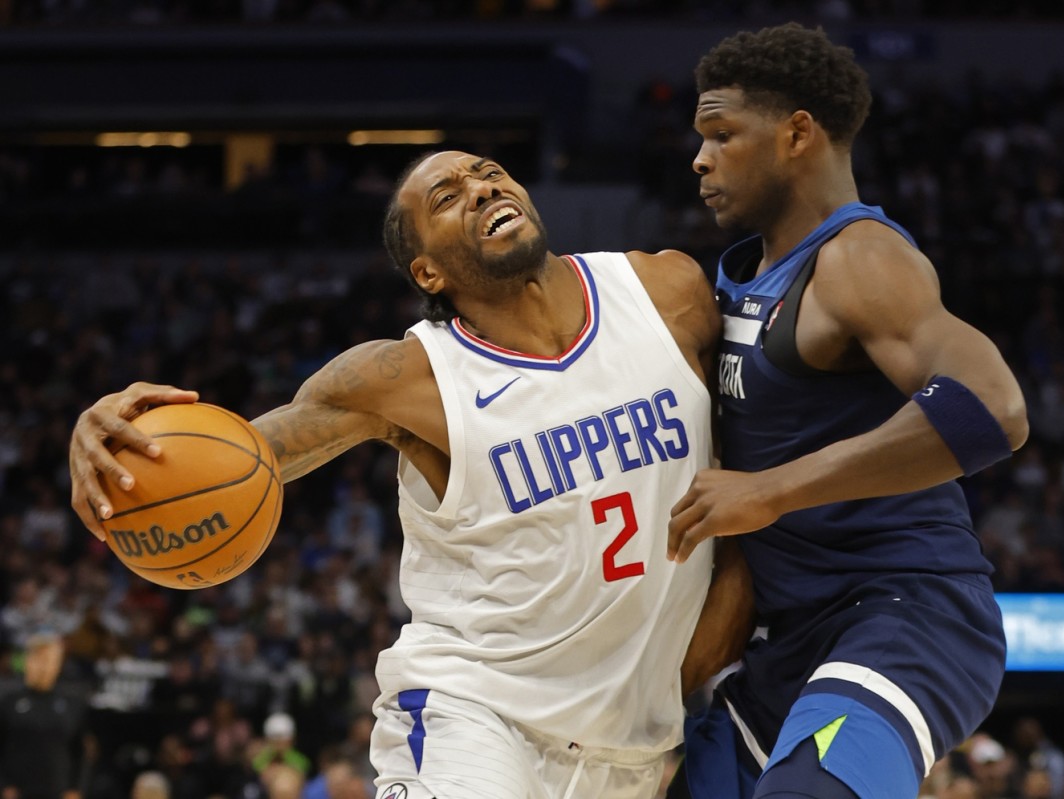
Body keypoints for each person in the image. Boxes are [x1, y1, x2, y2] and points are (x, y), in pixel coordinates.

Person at [68, 150, 754, 799]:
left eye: (488, 173)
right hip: (474, 716)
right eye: (447, 197)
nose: (483, 186)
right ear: (428, 272)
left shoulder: (665, 291)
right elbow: (238, 459)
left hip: (632, 746)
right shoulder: (407, 380)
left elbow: (761, 465)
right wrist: (111, 442)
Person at [665, 23, 1028, 799]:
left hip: (907, 613)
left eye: (722, 133)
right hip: (788, 640)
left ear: (798, 133)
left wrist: (772, 489)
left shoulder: (859, 259)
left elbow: (994, 408)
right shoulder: (733, 278)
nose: (700, 157)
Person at [0, 631, 91, 799]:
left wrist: (76, 789)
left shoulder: (72, 704)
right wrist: (3, 785)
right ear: (27, 661)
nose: (43, 666)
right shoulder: (8, 702)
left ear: (58, 664)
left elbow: (80, 752)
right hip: (18, 793)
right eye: (38, 659)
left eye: (49, 660)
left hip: (58, 792)